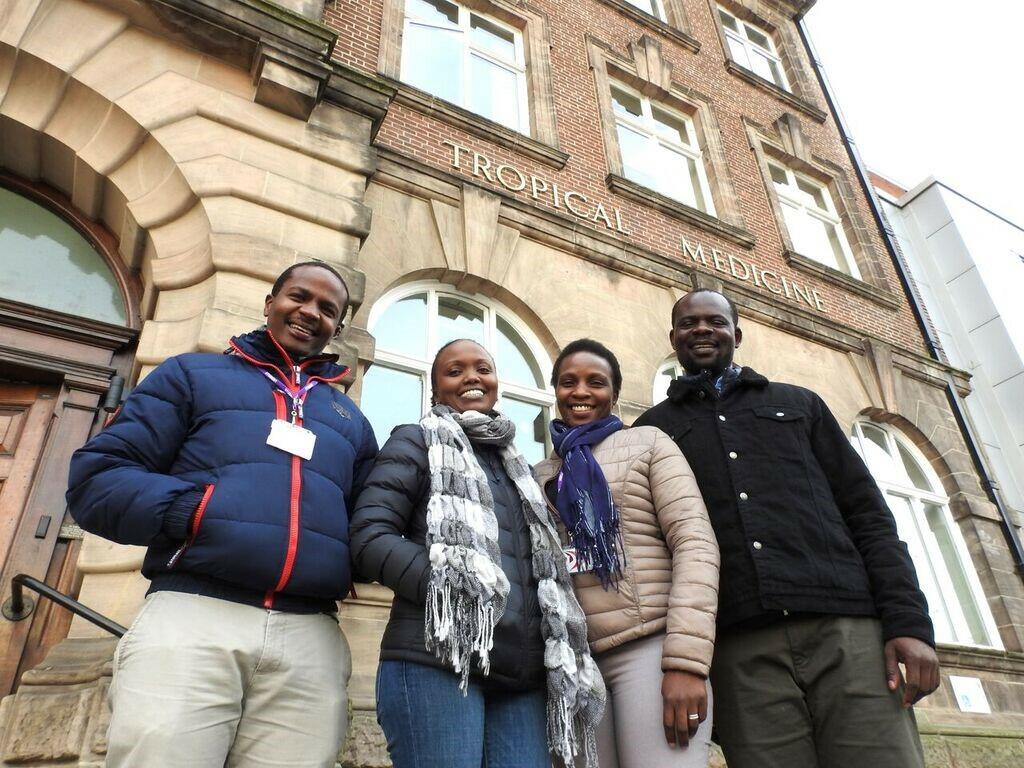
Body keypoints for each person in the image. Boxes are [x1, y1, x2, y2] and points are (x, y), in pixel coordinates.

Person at [66, 261, 379, 768]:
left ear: (337, 329)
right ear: (269, 303)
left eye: (328, 308)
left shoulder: (350, 422)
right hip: (193, 616)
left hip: (310, 636)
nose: (310, 312)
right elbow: (97, 480)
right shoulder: (192, 374)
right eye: (299, 296)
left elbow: (369, 522)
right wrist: (196, 511)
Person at [634, 288, 940, 768]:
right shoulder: (651, 432)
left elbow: (869, 516)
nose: (701, 329)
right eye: (688, 323)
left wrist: (910, 624)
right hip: (738, 649)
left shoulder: (800, 405)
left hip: (847, 633)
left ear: (736, 333)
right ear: (673, 337)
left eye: (714, 321)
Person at [350, 339, 604, 768]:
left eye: (482, 368)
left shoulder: (520, 467)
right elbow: (369, 537)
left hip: (521, 675)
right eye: (455, 371)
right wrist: (453, 593)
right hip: (436, 660)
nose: (471, 376)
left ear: (496, 384)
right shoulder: (415, 442)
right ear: (436, 391)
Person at [533, 338, 719, 768]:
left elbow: (695, 544)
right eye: (568, 382)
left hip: (650, 648)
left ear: (613, 394)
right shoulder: (542, 472)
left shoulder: (649, 443)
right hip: (577, 663)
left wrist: (687, 663)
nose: (580, 392)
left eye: (595, 382)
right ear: (556, 390)